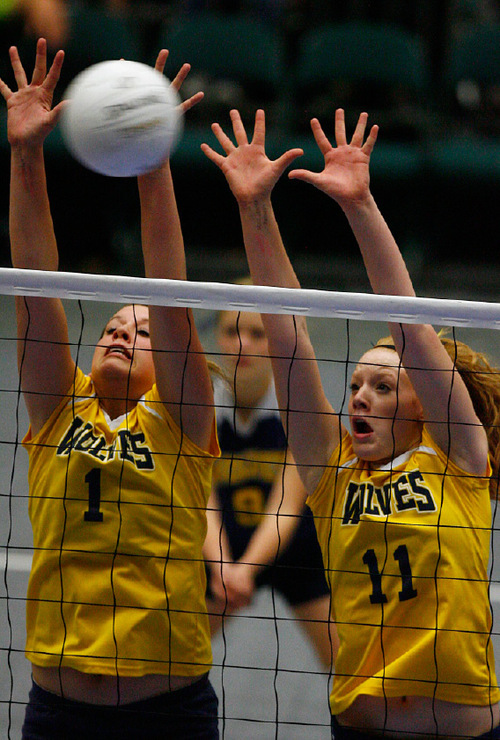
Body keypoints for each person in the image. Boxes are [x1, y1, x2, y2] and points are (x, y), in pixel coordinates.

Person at [201, 107, 500, 738]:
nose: (359, 397)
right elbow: (287, 335)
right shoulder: (331, 473)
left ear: (425, 403)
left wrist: (361, 206)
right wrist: (255, 208)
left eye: (384, 386)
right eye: (355, 385)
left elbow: (407, 322)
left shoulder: (460, 463)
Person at [0, 38, 220, 739]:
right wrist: (27, 156)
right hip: (57, 712)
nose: (125, 335)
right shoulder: (58, 407)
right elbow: (34, 282)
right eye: (114, 330)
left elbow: (170, 295)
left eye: (143, 333)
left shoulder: (181, 425)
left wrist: (151, 163)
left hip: (168, 714)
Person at [204, 301, 338, 669]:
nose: (242, 343)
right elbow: (202, 501)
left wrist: (244, 572)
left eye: (257, 333)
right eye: (232, 332)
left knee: (350, 669)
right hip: (220, 545)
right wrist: (222, 568)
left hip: (294, 545)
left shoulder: (298, 406)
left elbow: (287, 505)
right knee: (171, 659)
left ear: (279, 342)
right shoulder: (199, 402)